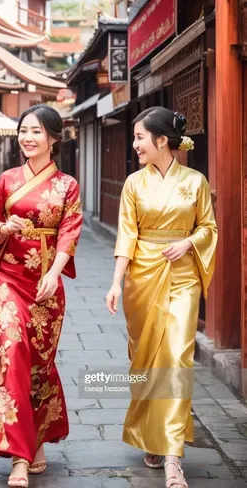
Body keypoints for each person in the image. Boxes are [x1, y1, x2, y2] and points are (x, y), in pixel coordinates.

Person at [105, 107, 217, 488]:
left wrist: (188, 241)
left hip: (183, 276)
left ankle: (172, 456)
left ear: (161, 141)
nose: (135, 144)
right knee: (145, 357)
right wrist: (116, 282)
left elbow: (208, 227)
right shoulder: (134, 184)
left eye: (139, 137)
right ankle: (152, 435)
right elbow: (126, 236)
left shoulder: (196, 182)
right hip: (142, 277)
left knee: (176, 357)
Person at [0, 104, 83, 488]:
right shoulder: (7, 180)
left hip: (46, 283)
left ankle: (36, 437)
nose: (27, 137)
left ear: (54, 138)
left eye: (36, 131)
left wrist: (55, 275)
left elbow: (70, 232)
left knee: (38, 362)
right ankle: (19, 456)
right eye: (23, 130)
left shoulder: (67, 185)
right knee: (13, 351)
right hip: (7, 279)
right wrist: (4, 228)